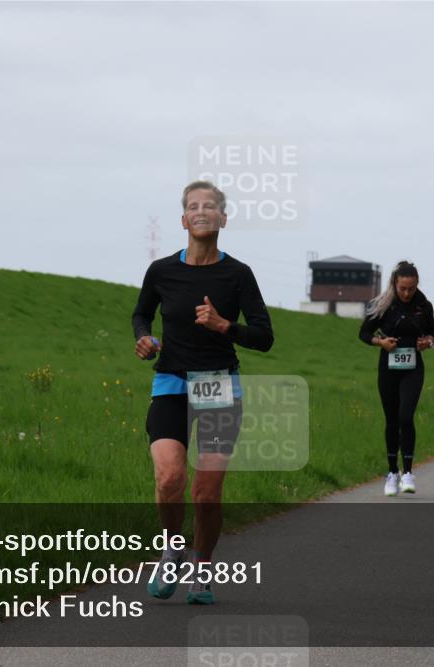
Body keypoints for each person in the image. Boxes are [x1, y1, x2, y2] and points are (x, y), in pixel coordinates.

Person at [132, 181, 273, 605]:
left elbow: (264, 336)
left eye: (210, 206)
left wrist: (223, 325)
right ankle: (172, 545)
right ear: (183, 219)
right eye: (193, 206)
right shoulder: (161, 271)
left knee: (206, 493)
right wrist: (144, 338)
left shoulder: (238, 274)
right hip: (172, 382)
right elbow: (142, 313)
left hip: (218, 385)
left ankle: (203, 564)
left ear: (223, 219)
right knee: (170, 476)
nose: (201, 211)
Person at [359, 261, 434, 496]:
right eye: (402, 288)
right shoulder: (383, 305)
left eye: (411, 288)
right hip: (388, 367)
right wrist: (380, 342)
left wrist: (428, 342)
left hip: (413, 368)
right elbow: (363, 333)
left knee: (406, 416)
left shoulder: (424, 305)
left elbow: (432, 331)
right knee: (392, 419)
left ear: (416, 285)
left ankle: (408, 473)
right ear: (395, 283)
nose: (406, 293)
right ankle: (392, 472)